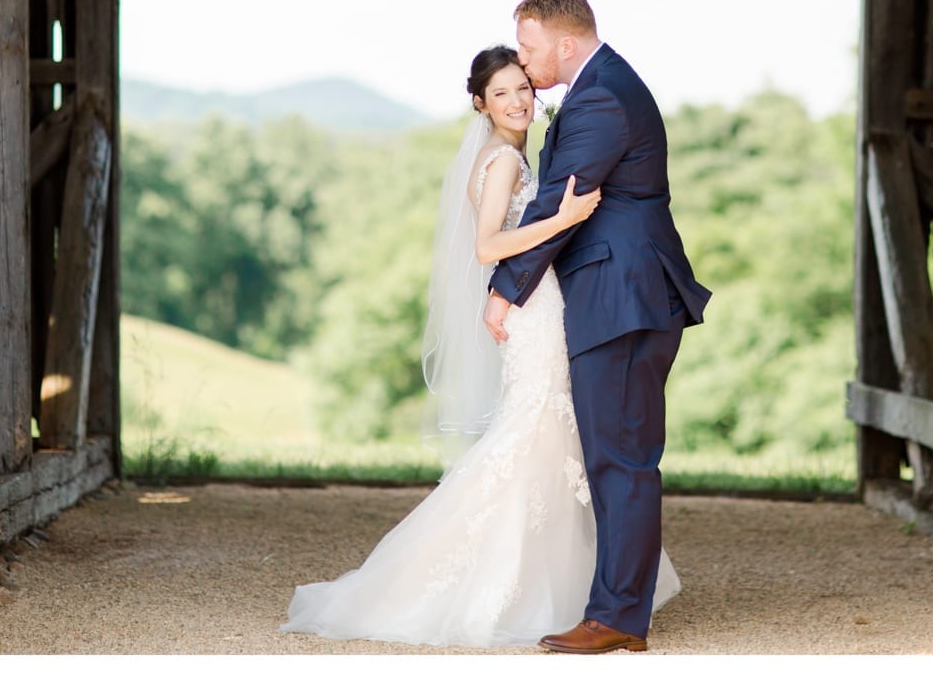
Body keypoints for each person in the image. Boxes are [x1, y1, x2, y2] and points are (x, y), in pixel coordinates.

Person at [281, 45, 680, 648]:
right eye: (502, 93)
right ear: (480, 103)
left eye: (524, 88)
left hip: (542, 302)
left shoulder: (514, 157)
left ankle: (570, 588)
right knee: (533, 432)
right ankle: (507, 587)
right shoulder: (502, 164)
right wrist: (565, 216)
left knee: (551, 436)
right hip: (533, 307)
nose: (519, 101)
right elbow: (488, 246)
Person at [484, 0, 711, 654]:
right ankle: (616, 607)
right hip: (617, 294)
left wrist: (504, 290)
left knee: (622, 460)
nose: (523, 64)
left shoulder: (602, 98)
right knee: (616, 455)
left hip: (623, 298)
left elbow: (559, 203)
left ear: (565, 43)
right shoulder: (599, 88)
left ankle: (616, 619)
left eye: (527, 48)